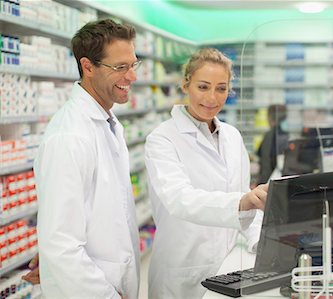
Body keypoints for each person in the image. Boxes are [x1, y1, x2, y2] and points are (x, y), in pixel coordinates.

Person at [24, 19, 141, 298]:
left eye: (133, 65)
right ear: (88, 67)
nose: (132, 77)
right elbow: (61, 244)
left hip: (111, 278)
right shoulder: (69, 136)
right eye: (120, 67)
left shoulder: (107, 122)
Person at [144, 48, 268, 299]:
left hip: (230, 265)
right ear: (185, 84)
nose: (212, 98)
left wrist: (261, 244)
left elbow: (245, 197)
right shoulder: (162, 139)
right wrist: (241, 202)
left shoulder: (232, 136)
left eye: (221, 88)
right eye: (203, 87)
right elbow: (179, 199)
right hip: (182, 271)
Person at [256, 104, 289, 184]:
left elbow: (266, 162)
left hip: (268, 181)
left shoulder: (270, 136)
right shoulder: (286, 135)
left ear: (270, 118)